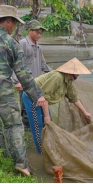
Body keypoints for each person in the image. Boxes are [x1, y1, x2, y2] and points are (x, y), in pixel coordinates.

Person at [0, 5, 49, 176]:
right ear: (7, 21)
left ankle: (4, 155)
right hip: (4, 92)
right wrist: (38, 96)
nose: (14, 27)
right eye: (13, 22)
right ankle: (21, 164)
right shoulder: (10, 42)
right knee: (14, 125)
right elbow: (24, 75)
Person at [22, 57, 92, 154]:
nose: (79, 75)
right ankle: (42, 152)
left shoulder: (69, 81)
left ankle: (49, 147)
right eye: (78, 72)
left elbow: (74, 98)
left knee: (49, 124)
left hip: (42, 99)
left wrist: (85, 112)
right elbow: (43, 96)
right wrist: (46, 116)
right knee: (38, 125)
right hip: (32, 97)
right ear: (70, 72)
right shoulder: (57, 77)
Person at [12, 20, 52, 128]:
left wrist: (55, 73)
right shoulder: (23, 44)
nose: (39, 35)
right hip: (25, 83)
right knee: (26, 109)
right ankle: (27, 130)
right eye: (37, 32)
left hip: (37, 83)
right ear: (30, 31)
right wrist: (17, 81)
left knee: (37, 106)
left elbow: (43, 65)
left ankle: (36, 128)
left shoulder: (38, 47)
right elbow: (16, 63)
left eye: (40, 33)